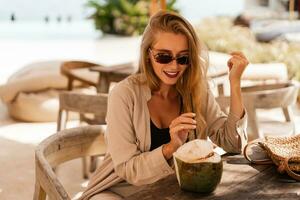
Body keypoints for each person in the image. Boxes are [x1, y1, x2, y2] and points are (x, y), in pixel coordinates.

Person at [79, 10, 248, 200]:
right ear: (148, 54)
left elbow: (233, 144)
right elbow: (128, 169)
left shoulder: (197, 89)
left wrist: (234, 83)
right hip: (119, 190)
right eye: (164, 57)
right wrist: (171, 147)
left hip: (174, 188)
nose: (174, 66)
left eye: (183, 58)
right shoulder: (124, 94)